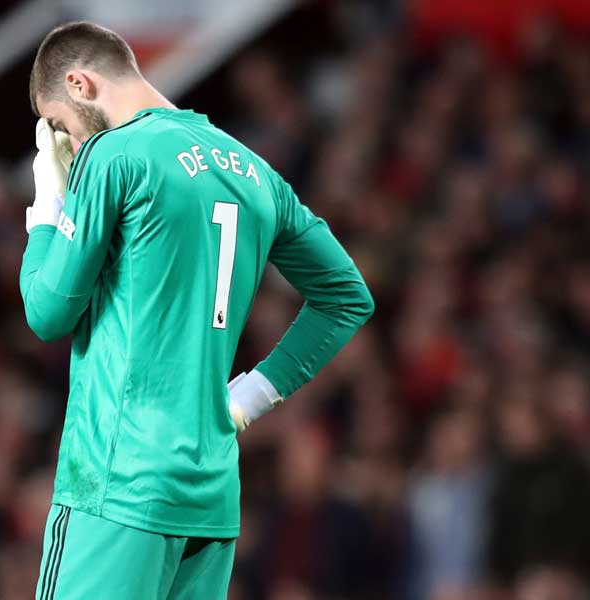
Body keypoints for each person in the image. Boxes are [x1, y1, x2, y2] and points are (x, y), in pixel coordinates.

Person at [20, 21, 374, 600]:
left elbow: (46, 312)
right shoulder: (254, 170)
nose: (67, 143)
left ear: (80, 84)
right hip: (209, 497)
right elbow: (346, 296)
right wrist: (253, 395)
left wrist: (47, 208)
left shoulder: (114, 153)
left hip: (119, 483)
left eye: (59, 124)